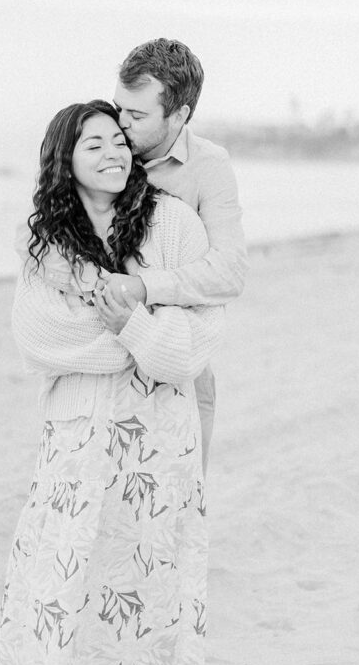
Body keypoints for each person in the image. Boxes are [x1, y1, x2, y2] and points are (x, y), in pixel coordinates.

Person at [0, 101, 224, 665]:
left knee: (145, 563)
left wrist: (128, 323)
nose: (113, 153)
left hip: (158, 431)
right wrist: (146, 341)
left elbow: (195, 345)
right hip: (79, 426)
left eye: (119, 141)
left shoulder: (176, 226)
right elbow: (40, 338)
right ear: (64, 159)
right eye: (93, 144)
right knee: (64, 560)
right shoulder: (44, 240)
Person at [31, 38, 247, 473]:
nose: (120, 124)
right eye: (118, 107)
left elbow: (229, 272)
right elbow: (39, 234)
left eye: (137, 115)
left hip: (175, 363)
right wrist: (95, 285)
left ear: (180, 114)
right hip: (97, 370)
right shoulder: (102, 150)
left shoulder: (208, 167)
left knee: (175, 507)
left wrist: (143, 288)